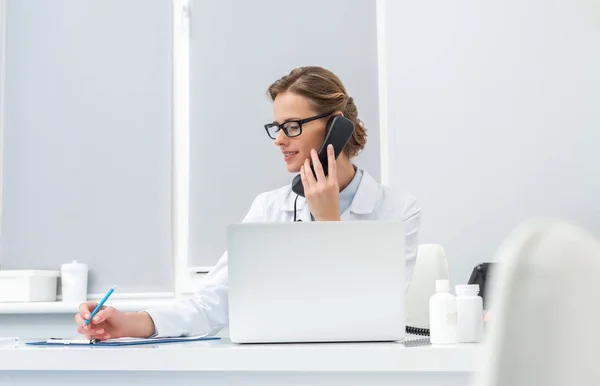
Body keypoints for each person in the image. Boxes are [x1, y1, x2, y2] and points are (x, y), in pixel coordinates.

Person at [74, 66, 421, 340]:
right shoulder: (270, 208)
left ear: (337, 127)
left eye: (293, 126)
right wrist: (131, 323)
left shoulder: (398, 210)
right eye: (277, 127)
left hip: (366, 371)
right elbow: (211, 304)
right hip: (278, 368)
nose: (280, 140)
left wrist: (329, 222)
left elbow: (372, 312)